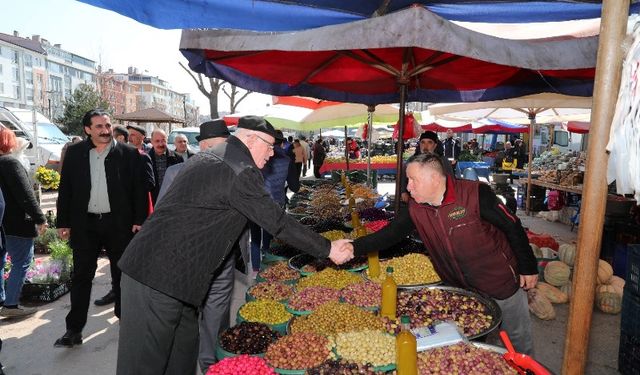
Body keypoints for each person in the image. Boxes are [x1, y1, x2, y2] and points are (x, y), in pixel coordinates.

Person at [116, 116, 353, 375]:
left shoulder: (217, 156)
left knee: (182, 356)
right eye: (269, 146)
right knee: (144, 365)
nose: (272, 154)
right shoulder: (238, 168)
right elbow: (277, 221)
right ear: (250, 139)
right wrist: (328, 249)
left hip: (182, 281)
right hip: (154, 275)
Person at [348, 153, 538, 355]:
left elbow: (512, 225)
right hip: (461, 287)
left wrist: (528, 267)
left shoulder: (474, 194)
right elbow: (390, 234)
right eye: (408, 180)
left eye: (413, 180)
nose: (408, 187)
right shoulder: (417, 208)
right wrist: (353, 248)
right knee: (469, 343)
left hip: (499, 281)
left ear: (435, 178)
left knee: (518, 341)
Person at [54, 109, 148, 348]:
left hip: (119, 224)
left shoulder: (128, 153)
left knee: (121, 274)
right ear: (87, 129)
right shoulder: (75, 153)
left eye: (107, 125)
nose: (105, 130)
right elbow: (66, 189)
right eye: (99, 127)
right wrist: (63, 221)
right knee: (81, 277)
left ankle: (124, 319)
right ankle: (73, 329)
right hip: (85, 224)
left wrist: (139, 219)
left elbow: (139, 188)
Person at [155, 120, 233, 371]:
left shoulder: (235, 173)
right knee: (185, 322)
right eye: (222, 147)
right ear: (205, 146)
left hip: (223, 261)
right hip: (186, 262)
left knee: (217, 319)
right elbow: (161, 219)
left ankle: (212, 365)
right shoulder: (175, 173)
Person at [0, 128, 47, 318]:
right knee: (21, 261)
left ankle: (3, 299)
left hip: (3, 223)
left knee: (2, 261)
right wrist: (40, 218)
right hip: (16, 222)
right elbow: (25, 195)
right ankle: (11, 305)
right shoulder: (10, 162)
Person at [250, 129, 300, 274]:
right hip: (275, 204)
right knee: (269, 235)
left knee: (255, 237)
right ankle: (267, 264)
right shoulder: (286, 159)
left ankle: (255, 269)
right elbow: (294, 187)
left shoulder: (255, 156)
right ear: (283, 143)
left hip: (254, 202)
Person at [401, 131, 453, 203]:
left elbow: (450, 181)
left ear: (435, 145)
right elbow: (404, 177)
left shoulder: (443, 161)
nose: (425, 146)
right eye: (423, 142)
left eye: (429, 142)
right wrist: (403, 192)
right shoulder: (412, 160)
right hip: (415, 199)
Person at [149, 129, 183, 205]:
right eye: (157, 141)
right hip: (152, 203)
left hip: (172, 202)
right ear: (151, 141)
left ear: (167, 140)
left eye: (163, 140)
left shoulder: (178, 158)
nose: (161, 144)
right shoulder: (145, 159)